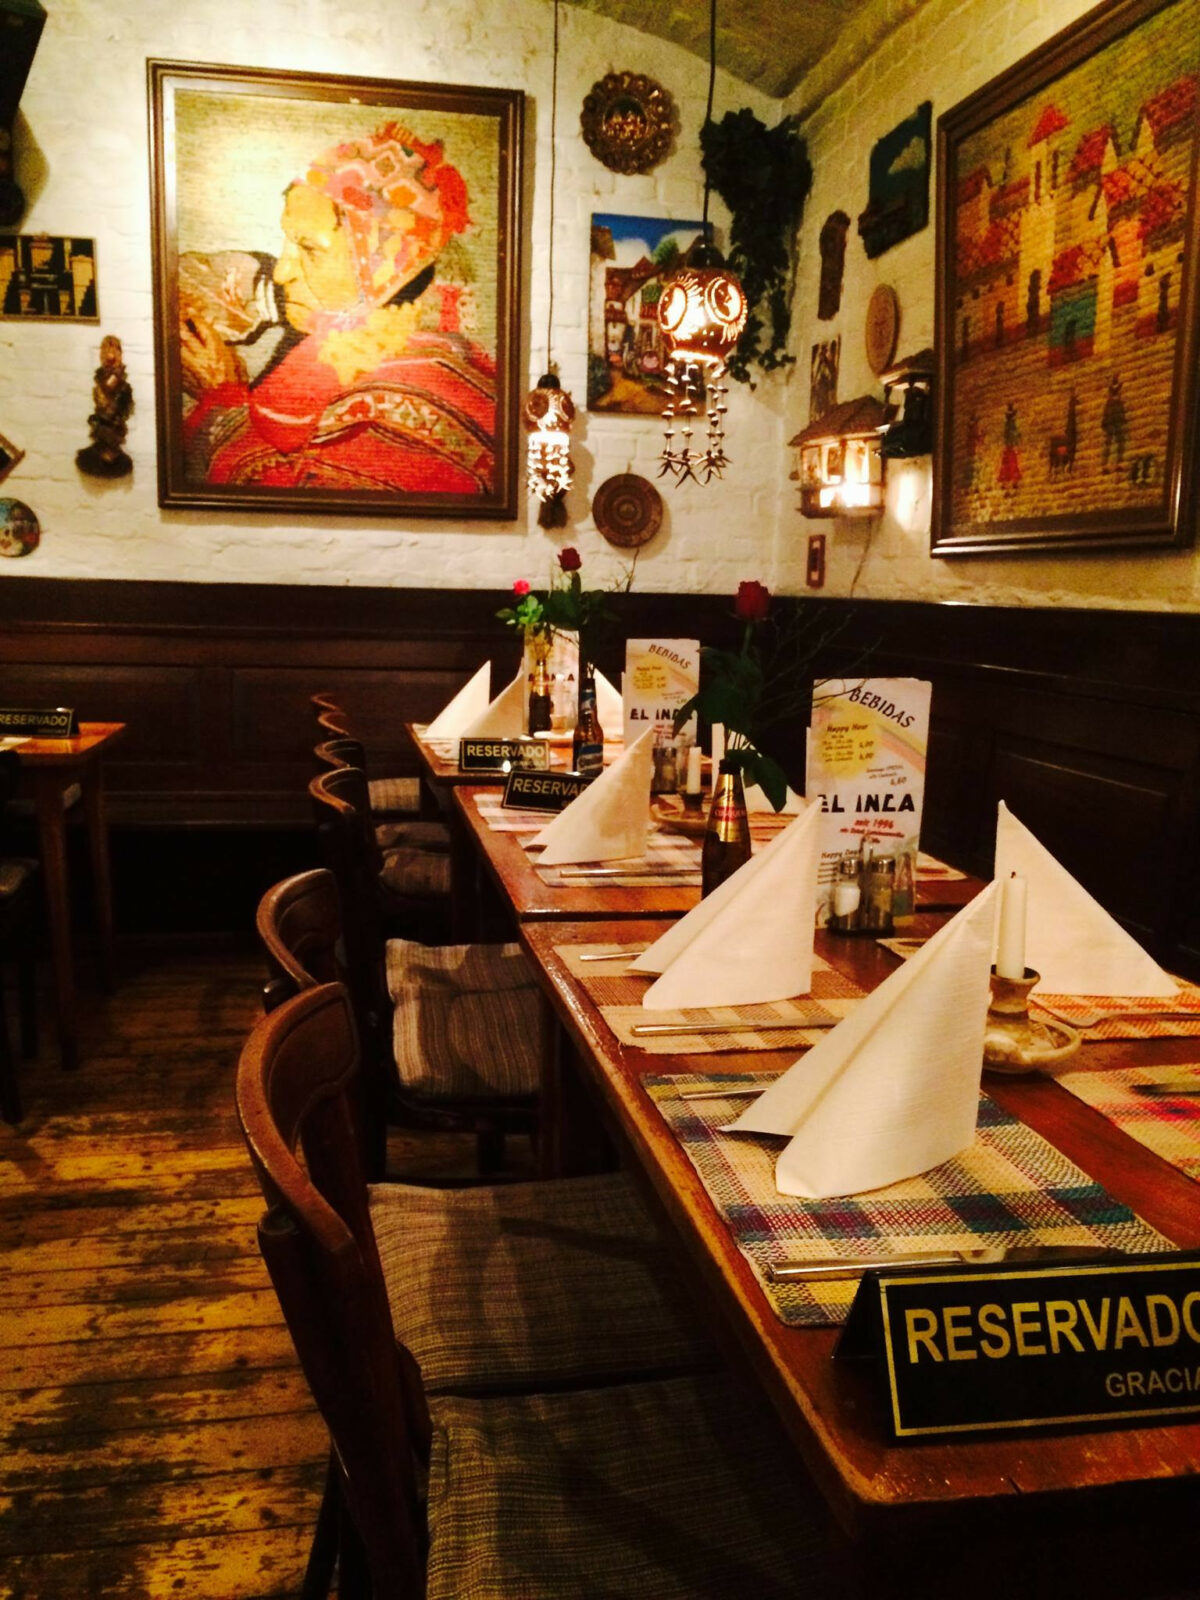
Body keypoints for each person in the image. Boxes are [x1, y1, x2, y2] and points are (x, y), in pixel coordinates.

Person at [180, 123, 495, 496]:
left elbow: (279, 499)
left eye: (309, 248)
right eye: (287, 245)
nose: (282, 272)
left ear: (382, 265)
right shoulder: (354, 359)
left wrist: (221, 398)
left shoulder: (403, 399)